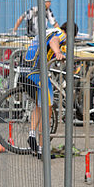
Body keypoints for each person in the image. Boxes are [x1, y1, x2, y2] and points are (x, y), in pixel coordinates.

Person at [24, 22, 76, 158]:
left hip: (24, 72)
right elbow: (54, 41)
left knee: (39, 106)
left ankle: (31, 134)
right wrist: (58, 51)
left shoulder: (48, 30)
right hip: (37, 74)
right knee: (47, 110)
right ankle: (42, 150)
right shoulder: (61, 34)